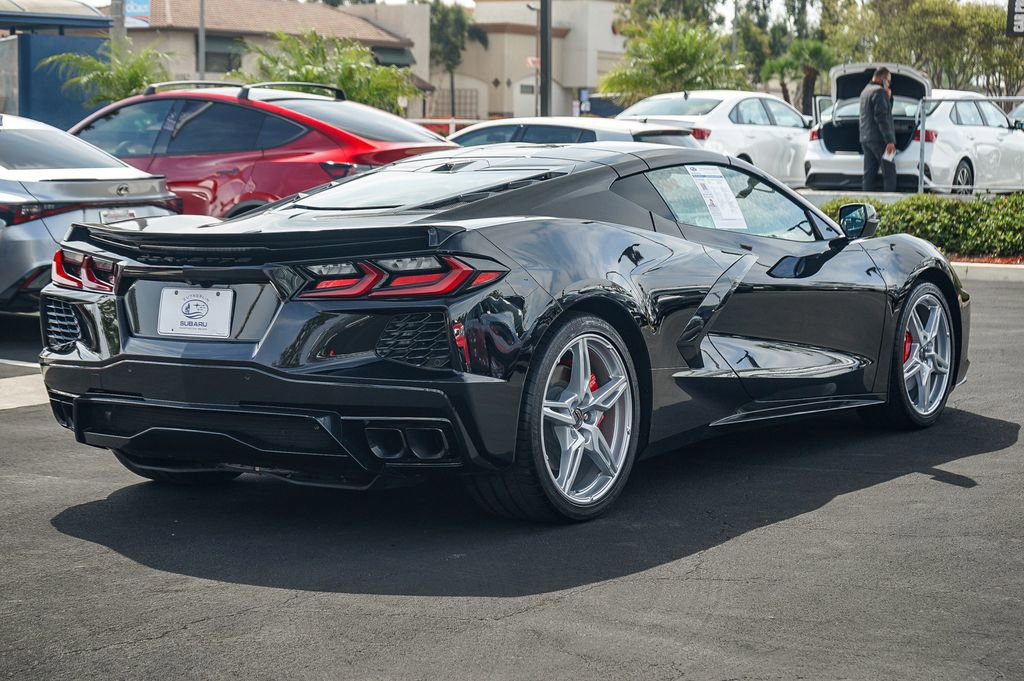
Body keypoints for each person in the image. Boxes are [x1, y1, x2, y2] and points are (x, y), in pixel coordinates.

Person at [859, 66, 897, 192]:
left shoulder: (865, 91)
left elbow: (885, 110)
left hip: (866, 138)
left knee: (869, 174)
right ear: (883, 78)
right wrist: (889, 140)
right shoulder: (878, 92)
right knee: (889, 172)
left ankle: (865, 202)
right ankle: (890, 204)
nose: (889, 83)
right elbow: (882, 117)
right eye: (888, 80)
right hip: (880, 139)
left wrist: (888, 97)